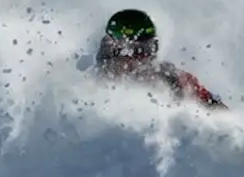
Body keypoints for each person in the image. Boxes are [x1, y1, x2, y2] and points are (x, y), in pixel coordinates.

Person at [94, 8, 226, 109]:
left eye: (149, 48)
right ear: (113, 50)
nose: (143, 57)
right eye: (137, 50)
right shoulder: (88, 87)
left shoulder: (175, 80)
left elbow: (222, 116)